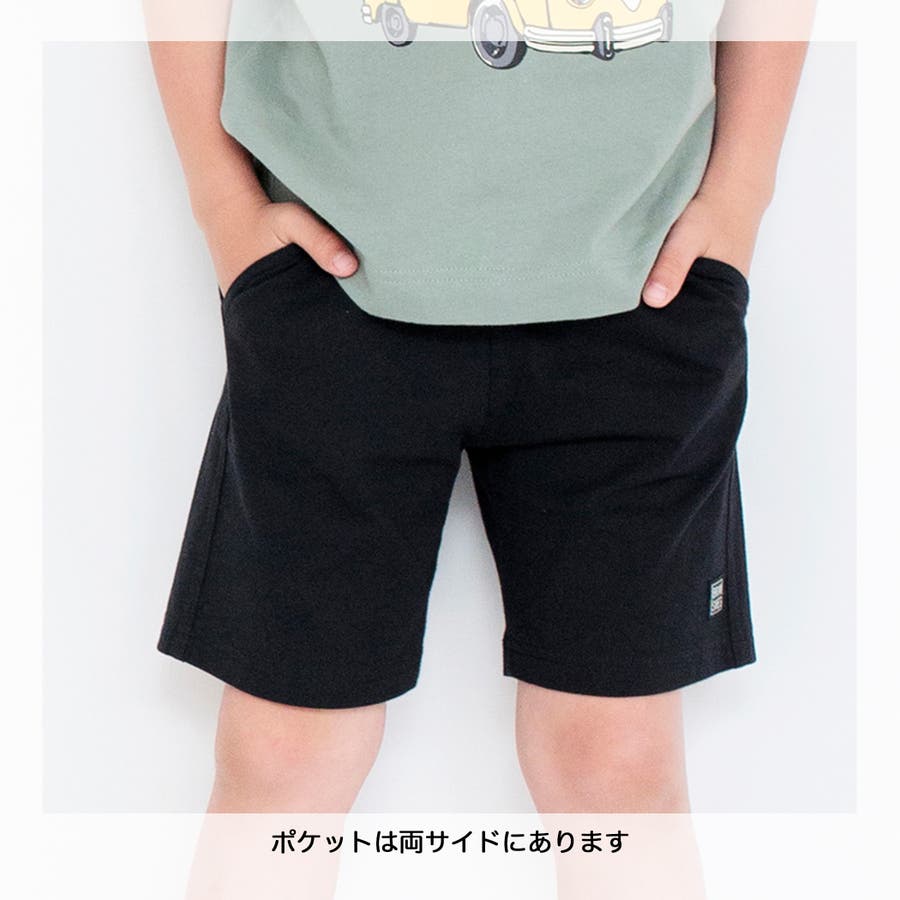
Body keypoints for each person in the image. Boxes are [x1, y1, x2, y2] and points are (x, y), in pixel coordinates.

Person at [150, 1, 808, 819]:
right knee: (285, 757)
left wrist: (742, 190)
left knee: (617, 768)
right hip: (336, 277)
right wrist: (222, 201)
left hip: (638, 282)